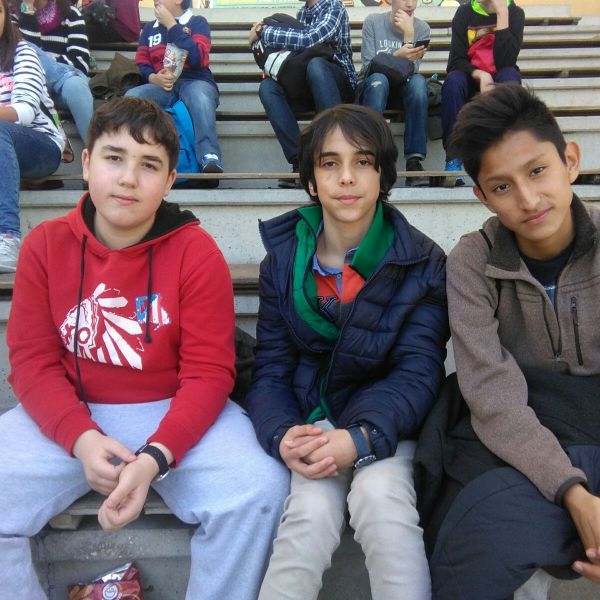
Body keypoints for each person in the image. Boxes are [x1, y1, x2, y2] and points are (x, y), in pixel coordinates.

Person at [0, 96, 288, 600]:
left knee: (260, 487)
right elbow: (31, 363)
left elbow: (209, 372)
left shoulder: (196, 251)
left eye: (149, 165)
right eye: (114, 157)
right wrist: (81, 439)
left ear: (170, 180)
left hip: (173, 409)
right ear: (86, 163)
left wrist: (156, 455)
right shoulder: (45, 244)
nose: (129, 178)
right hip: (71, 411)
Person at [247, 104, 449, 600]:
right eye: (329, 163)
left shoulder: (422, 262)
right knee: (308, 514)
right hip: (312, 425)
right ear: (311, 181)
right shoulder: (283, 260)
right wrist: (282, 434)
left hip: (388, 426)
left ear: (383, 175)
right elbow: (270, 368)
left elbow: (418, 371)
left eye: (363, 161)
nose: (346, 178)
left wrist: (360, 438)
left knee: (380, 499)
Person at [428, 83, 600, 599]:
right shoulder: (473, 261)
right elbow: (493, 396)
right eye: (501, 186)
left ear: (570, 161)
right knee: (475, 535)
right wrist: (573, 492)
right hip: (525, 434)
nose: (527, 199)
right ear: (481, 196)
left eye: (538, 171)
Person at [248, 0, 356, 188]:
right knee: (268, 87)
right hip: (307, 85)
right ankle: (301, 163)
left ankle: (333, 153)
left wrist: (262, 31)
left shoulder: (334, 7)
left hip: (337, 85)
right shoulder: (301, 14)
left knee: (316, 65)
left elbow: (310, 40)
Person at [0, 0, 63, 272]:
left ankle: (7, 236)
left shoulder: (22, 52)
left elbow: (25, 111)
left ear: (6, 17)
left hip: (40, 145)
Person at [126, 0, 223, 175]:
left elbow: (198, 57)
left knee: (200, 98)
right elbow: (142, 62)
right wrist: (153, 78)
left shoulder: (197, 23)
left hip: (194, 81)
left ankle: (209, 155)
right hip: (162, 86)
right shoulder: (149, 29)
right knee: (131, 98)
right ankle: (131, 157)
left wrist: (171, 25)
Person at [441, 0, 524, 186]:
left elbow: (506, 61)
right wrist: (480, 74)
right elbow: (455, 61)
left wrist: (502, 13)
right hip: (470, 78)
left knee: (510, 76)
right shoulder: (464, 12)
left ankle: (506, 155)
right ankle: (454, 158)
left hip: (500, 76)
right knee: (453, 81)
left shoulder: (515, 13)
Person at [360, 0, 430, 187]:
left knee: (418, 82)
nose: (410, 4)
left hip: (403, 90)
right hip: (375, 88)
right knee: (379, 79)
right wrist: (397, 55)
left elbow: (411, 70)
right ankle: (372, 157)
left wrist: (409, 36)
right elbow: (367, 67)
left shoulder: (421, 28)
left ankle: (414, 162)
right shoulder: (373, 22)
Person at [18, 0, 93, 142]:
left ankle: (94, 150)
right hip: (27, 87)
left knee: (76, 85)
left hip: (62, 89)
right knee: (28, 50)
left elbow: (80, 63)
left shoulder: (71, 14)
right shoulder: (11, 15)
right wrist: (28, 11)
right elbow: (24, 59)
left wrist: (45, 63)